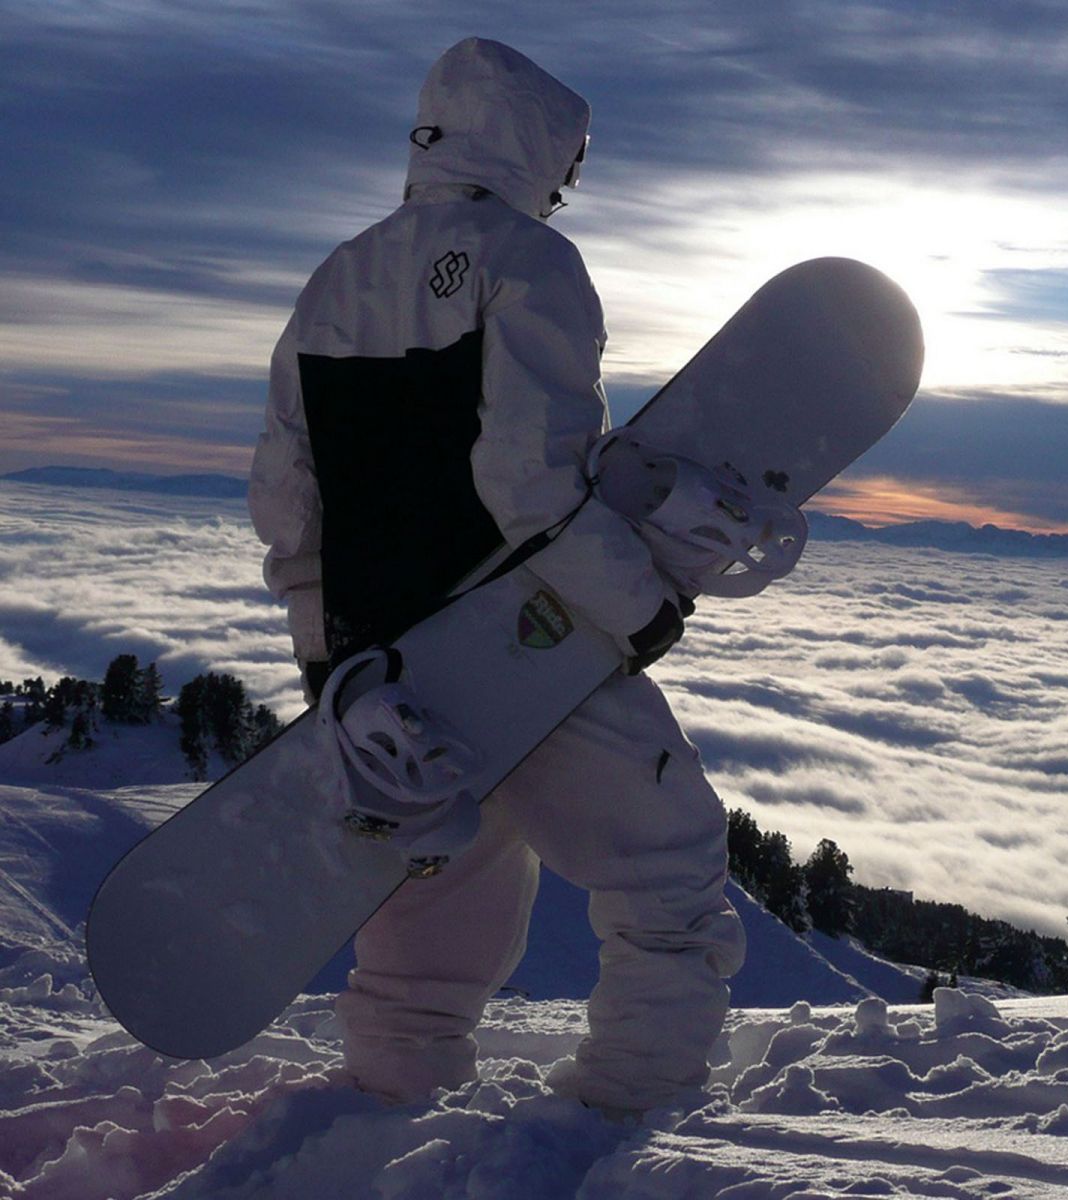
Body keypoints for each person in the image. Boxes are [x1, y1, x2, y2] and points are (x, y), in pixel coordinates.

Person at [247, 36, 745, 1114]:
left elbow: (289, 499)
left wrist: (333, 662)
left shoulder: (335, 275)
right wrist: (642, 608)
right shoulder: (530, 262)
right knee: (670, 876)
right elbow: (528, 479)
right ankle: (620, 1116)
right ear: (537, 150)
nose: (568, 189)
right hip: (524, 634)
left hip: (393, 664)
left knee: (435, 919)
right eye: (567, 165)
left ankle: (385, 1111)